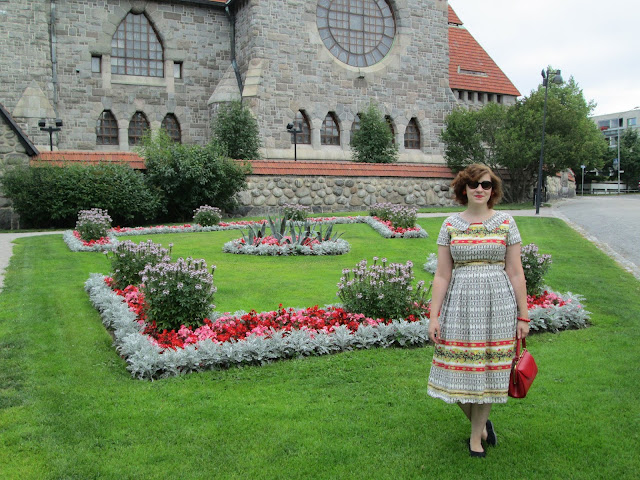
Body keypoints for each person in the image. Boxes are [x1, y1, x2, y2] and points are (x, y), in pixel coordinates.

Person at [427, 164, 530, 458]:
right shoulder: (449, 225)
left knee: (488, 372)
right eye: (473, 185)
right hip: (458, 305)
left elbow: (516, 272)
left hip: (497, 306)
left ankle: (476, 438)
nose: (479, 189)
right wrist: (434, 316)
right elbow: (442, 275)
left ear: (493, 189)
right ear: (463, 190)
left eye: (485, 185)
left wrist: (523, 315)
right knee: (454, 372)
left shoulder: (506, 223)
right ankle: (482, 425)